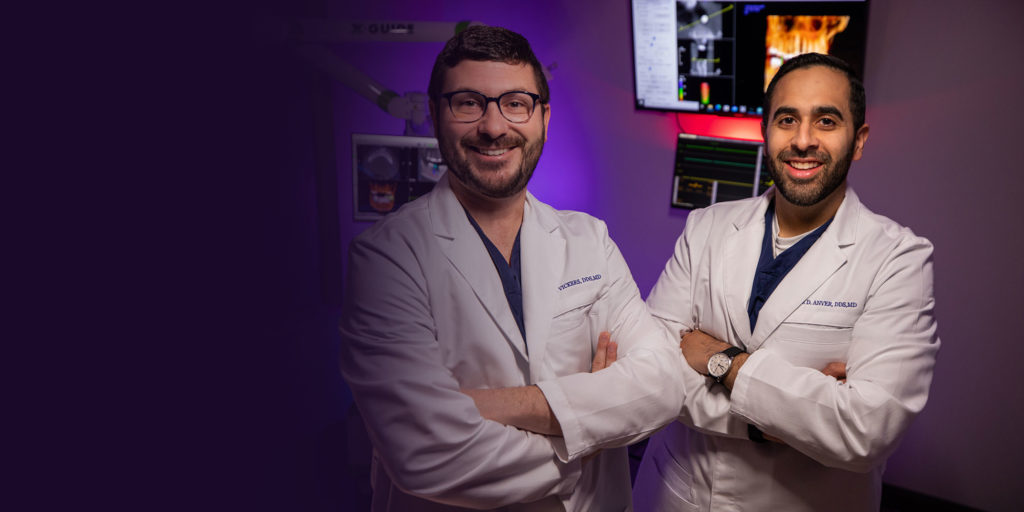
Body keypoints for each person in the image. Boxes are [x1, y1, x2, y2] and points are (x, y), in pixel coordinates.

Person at [339, 25, 687, 511]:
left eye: (516, 103)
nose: (494, 126)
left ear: (543, 117)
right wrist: (589, 432)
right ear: (437, 115)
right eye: (468, 102)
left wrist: (493, 406)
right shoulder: (385, 258)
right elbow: (425, 452)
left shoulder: (589, 240)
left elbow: (664, 385)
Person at [633, 52, 941, 511]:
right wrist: (779, 419)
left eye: (827, 121)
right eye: (786, 119)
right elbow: (650, 364)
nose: (802, 140)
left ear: (858, 140)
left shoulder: (898, 258)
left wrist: (722, 361)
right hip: (678, 493)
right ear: (765, 132)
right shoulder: (706, 226)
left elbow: (865, 430)